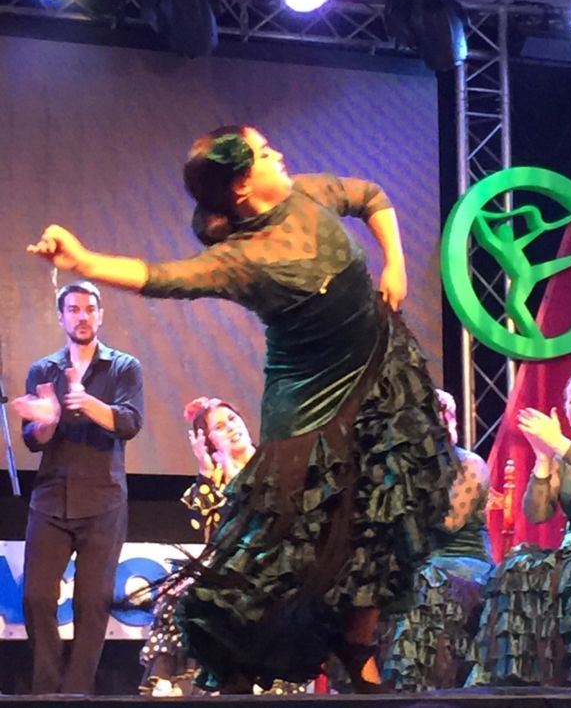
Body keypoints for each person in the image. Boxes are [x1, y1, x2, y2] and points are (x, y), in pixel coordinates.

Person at [25, 125, 456, 693]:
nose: (279, 154)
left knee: (383, 513)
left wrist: (394, 263)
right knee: (284, 544)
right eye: (264, 153)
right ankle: (236, 653)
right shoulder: (243, 258)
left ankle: (359, 646)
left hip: (377, 370)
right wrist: (83, 260)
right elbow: (161, 278)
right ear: (242, 186)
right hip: (307, 405)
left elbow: (371, 196)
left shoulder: (306, 192)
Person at [467, 365, 571, 689]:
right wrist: (544, 459)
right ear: (565, 411)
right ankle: (516, 679)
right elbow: (536, 514)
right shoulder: (561, 458)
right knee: (518, 566)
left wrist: (560, 444)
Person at [11, 281, 143, 695]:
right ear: (61, 317)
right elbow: (33, 440)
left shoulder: (124, 367)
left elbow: (130, 422)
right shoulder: (43, 370)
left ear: (100, 316)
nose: (82, 316)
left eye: (89, 309)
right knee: (36, 597)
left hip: (103, 500)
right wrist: (46, 421)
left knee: (93, 603)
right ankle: (46, 691)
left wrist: (86, 402)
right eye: (73, 309)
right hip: (50, 499)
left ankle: (75, 693)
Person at [140, 396, 255, 697]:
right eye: (220, 426)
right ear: (208, 441)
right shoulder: (211, 480)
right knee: (178, 593)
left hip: (267, 562)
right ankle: (166, 676)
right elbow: (202, 525)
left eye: (232, 419)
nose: (231, 428)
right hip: (223, 566)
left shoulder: (270, 464)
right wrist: (208, 471)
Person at [380, 389, 493, 690]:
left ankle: (420, 686)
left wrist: (402, 492)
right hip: (420, 565)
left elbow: (450, 521)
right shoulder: (406, 467)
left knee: (426, 581)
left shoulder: (469, 464)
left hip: (462, 563)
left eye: (444, 417)